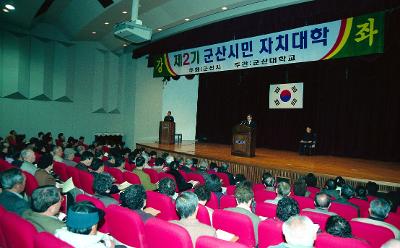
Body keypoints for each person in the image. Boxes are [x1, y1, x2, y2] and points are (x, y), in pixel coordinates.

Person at [225, 181, 260, 245]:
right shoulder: (256, 219)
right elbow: (256, 243)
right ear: (251, 200)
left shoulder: (224, 211)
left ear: (236, 199)